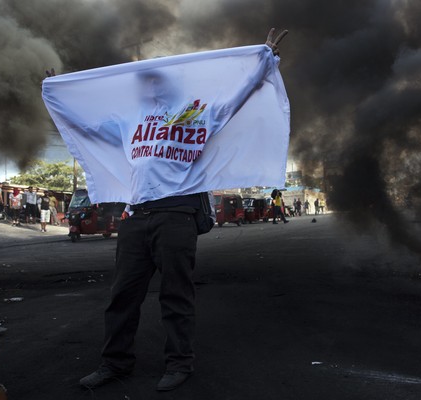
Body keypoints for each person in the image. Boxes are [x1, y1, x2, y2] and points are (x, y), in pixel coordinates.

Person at [76, 29, 289, 392]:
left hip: (176, 215)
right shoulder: (130, 121)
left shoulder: (194, 115)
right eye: (148, 84)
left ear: (172, 87)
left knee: (176, 295)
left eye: (160, 82)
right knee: (122, 296)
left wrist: (263, 58)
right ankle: (114, 363)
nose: (153, 88)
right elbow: (87, 127)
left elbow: (236, 99)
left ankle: (179, 363)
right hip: (136, 217)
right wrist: (56, 91)